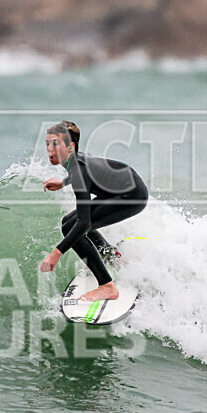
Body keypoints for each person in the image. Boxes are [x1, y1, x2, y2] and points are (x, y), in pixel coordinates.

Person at [40, 121, 148, 301]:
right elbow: (85, 172)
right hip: (123, 187)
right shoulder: (75, 160)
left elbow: (84, 223)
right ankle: (111, 258)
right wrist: (63, 182)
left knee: (73, 227)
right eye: (47, 144)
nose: (50, 149)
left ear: (70, 147)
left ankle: (107, 286)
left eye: (56, 144)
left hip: (132, 196)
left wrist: (56, 254)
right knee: (68, 222)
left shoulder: (78, 171)